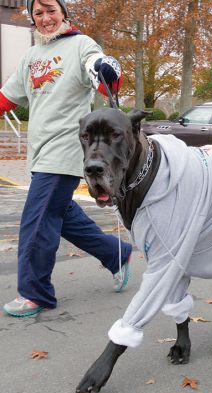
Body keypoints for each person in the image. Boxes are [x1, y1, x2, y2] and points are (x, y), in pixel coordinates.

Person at [1, 0, 132, 317]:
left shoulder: (81, 44)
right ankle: (117, 254)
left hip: (66, 150)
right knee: (62, 217)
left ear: (63, 13)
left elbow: (101, 72)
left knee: (38, 221)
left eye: (51, 11)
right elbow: (7, 97)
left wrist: (105, 68)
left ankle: (36, 293)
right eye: (38, 13)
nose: (45, 18)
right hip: (40, 153)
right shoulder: (32, 56)